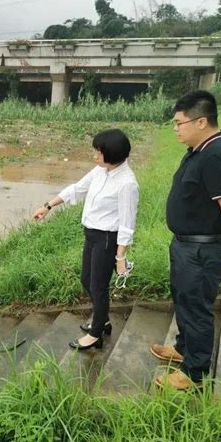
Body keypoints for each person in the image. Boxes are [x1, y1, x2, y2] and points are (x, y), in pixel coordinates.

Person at [151, 90, 221, 391]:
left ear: (201, 121)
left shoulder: (218, 155)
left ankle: (195, 373)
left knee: (196, 306)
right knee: (184, 300)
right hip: (188, 245)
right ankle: (184, 349)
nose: (176, 128)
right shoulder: (200, 151)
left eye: (179, 123)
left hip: (204, 248)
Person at [32, 129, 139, 350]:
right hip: (91, 234)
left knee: (98, 286)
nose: (95, 156)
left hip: (107, 239)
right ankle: (104, 319)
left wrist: (121, 257)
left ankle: (96, 333)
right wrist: (47, 206)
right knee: (86, 280)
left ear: (111, 154)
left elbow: (128, 224)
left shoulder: (127, 184)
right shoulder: (101, 171)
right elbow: (76, 189)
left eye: (98, 152)